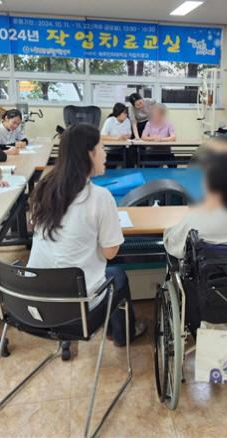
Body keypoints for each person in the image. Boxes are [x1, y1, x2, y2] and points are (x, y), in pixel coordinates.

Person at [28, 123, 145, 346]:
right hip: (76, 306)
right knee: (117, 275)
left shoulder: (43, 187)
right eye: (102, 147)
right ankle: (122, 335)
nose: (105, 154)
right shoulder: (100, 197)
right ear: (89, 153)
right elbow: (110, 253)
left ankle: (116, 331)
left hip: (34, 301)